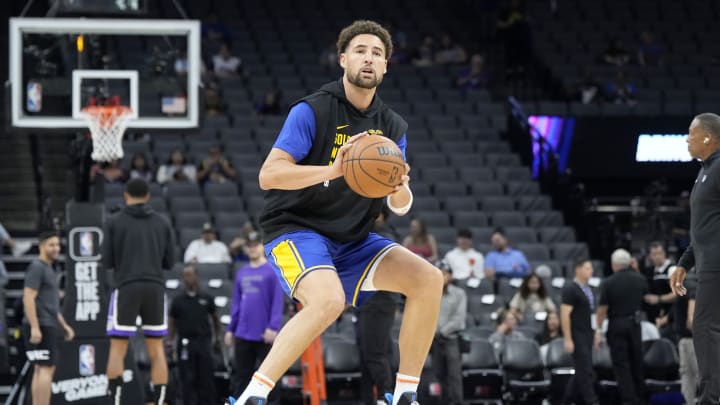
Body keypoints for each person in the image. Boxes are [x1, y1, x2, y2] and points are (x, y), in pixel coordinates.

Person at [227, 20, 444, 405]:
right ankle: (252, 396)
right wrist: (334, 169)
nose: (369, 58)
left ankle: (406, 394)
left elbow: (401, 205)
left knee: (428, 279)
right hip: (296, 230)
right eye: (360, 50)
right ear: (343, 59)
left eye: (377, 53)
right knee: (329, 302)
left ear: (386, 67)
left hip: (353, 239)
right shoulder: (312, 110)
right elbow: (268, 175)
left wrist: (400, 186)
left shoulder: (392, 127)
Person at [103, 178, 176, 405]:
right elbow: (170, 262)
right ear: (147, 196)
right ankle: (160, 401)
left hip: (127, 286)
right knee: (156, 349)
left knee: (118, 348)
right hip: (154, 287)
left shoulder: (114, 222)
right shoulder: (162, 222)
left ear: (126, 195)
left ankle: (115, 401)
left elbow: (106, 261)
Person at [670, 112, 720, 405]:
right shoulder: (705, 171)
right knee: (708, 327)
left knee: (705, 326)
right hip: (706, 262)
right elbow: (702, 229)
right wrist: (684, 263)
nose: (686, 139)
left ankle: (709, 399)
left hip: (716, 263)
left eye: (691, 133)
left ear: (707, 137)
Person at [224, 231, 284, 395]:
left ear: (261, 246)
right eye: (249, 246)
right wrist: (230, 329)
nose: (252, 249)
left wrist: (273, 327)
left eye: (255, 245)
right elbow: (237, 303)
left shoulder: (272, 271)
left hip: (265, 334)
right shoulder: (242, 273)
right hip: (243, 333)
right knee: (241, 377)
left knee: (269, 378)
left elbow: (277, 302)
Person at [22, 232, 75, 405]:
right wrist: (35, 327)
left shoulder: (49, 269)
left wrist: (64, 325)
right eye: (51, 245)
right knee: (45, 369)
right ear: (41, 246)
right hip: (42, 325)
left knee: (40, 368)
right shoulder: (37, 267)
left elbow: (50, 304)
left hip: (49, 323)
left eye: (58, 245)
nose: (56, 248)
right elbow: (28, 297)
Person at [357, 206, 400, 405]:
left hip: (379, 299)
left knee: (375, 352)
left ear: (380, 215)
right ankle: (373, 397)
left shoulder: (383, 236)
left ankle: (385, 395)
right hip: (371, 300)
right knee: (372, 352)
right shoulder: (375, 234)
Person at [595, 249, 649, 405]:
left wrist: (598, 330)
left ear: (613, 265)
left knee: (621, 365)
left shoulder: (608, 282)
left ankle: (629, 400)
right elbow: (646, 295)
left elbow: (601, 311)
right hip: (635, 324)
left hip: (617, 324)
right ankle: (641, 398)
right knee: (637, 362)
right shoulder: (640, 279)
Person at [168, 266, 221, 405]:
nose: (188, 278)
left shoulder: (206, 298)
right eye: (185, 275)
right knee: (186, 378)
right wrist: (169, 341)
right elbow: (172, 321)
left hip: (203, 342)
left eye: (190, 275)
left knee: (206, 378)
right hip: (185, 343)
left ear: (197, 276)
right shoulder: (178, 300)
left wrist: (217, 339)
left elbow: (215, 319)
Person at [560, 258, 599, 405]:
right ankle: (592, 401)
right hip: (577, 334)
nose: (591, 271)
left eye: (591, 268)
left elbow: (592, 313)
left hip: (588, 333)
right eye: (587, 268)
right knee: (585, 370)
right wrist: (568, 338)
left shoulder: (588, 289)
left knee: (582, 370)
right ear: (578, 269)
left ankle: (567, 400)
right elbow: (565, 315)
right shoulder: (570, 289)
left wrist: (595, 332)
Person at [431, 260, 466, 405]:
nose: (442, 276)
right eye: (439, 273)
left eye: (445, 273)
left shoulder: (459, 293)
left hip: (451, 339)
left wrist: (442, 331)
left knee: (454, 376)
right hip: (433, 340)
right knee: (438, 375)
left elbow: (459, 319)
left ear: (451, 276)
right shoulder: (429, 292)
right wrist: (434, 332)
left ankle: (457, 402)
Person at [673, 269, 698, 405]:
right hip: (691, 339)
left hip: (689, 338)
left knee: (690, 375)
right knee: (692, 375)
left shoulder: (688, 282)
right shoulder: (694, 283)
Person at [642, 241, 676, 323]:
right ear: (650, 256)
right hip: (654, 317)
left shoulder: (672, 270)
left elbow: (678, 294)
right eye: (654, 254)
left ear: (664, 253)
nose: (657, 257)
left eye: (660, 253)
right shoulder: (650, 272)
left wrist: (659, 299)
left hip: (670, 316)